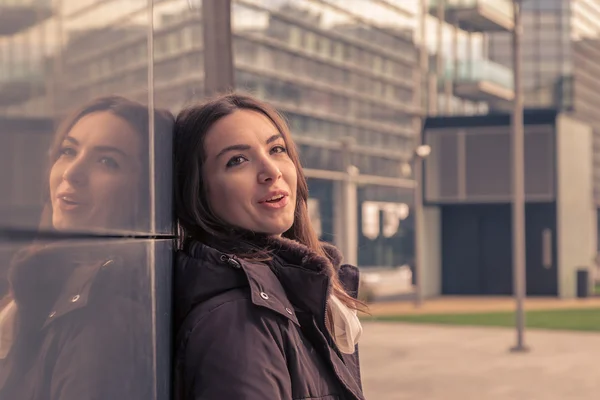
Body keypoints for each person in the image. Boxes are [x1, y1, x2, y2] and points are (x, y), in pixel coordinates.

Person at [173, 93, 367, 400]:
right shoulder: (238, 322)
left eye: (276, 149)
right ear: (198, 191)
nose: (271, 171)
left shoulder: (299, 292)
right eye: (237, 160)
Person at [0, 96, 174, 400]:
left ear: (147, 191)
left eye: (107, 161)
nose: (71, 172)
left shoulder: (107, 316)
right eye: (68, 151)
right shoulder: (49, 285)